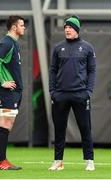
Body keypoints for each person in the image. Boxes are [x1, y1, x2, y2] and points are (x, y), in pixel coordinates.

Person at [49, 15, 96, 171]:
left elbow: (92, 71)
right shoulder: (58, 48)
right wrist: (52, 91)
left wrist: (88, 91)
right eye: (65, 28)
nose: (67, 30)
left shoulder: (88, 48)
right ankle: (58, 161)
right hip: (60, 95)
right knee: (59, 129)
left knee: (85, 128)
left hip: (80, 95)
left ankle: (89, 160)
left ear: (76, 29)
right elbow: (53, 71)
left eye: (70, 27)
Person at [0, 15, 25, 170]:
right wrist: (3, 82)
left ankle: (2, 160)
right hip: (8, 92)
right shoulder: (7, 42)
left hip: (15, 92)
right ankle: (1, 162)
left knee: (8, 124)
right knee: (5, 123)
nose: (24, 28)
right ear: (14, 27)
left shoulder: (14, 44)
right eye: (22, 25)